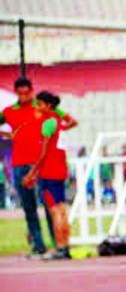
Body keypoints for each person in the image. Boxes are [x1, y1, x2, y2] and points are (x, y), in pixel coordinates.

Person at [0, 77, 68, 256]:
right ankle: (38, 245)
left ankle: (58, 244)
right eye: (20, 93)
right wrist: (9, 134)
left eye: (27, 93)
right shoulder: (8, 112)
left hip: (41, 164)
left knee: (49, 205)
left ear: (31, 91)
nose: (23, 97)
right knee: (29, 207)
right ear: (16, 92)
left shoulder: (42, 107)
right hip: (19, 165)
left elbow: (66, 118)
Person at [22, 91, 77, 260]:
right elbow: (73, 122)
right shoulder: (58, 122)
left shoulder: (47, 123)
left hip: (49, 172)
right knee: (61, 210)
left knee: (55, 212)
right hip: (60, 170)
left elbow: (43, 151)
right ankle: (65, 247)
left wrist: (31, 173)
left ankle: (60, 247)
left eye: (40, 104)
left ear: (48, 105)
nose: (37, 107)